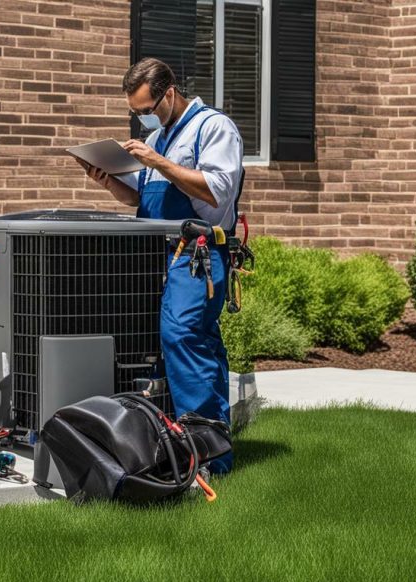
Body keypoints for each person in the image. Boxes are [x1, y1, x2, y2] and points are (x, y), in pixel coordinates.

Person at [76, 57, 244, 474]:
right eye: (136, 114)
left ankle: (209, 457)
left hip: (196, 254)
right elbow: (139, 199)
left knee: (184, 335)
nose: (143, 119)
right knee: (184, 343)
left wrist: (157, 161)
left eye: (147, 110)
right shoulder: (164, 136)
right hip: (155, 254)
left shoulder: (212, 127)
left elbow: (216, 191)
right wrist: (109, 179)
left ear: (169, 94)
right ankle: (179, 440)